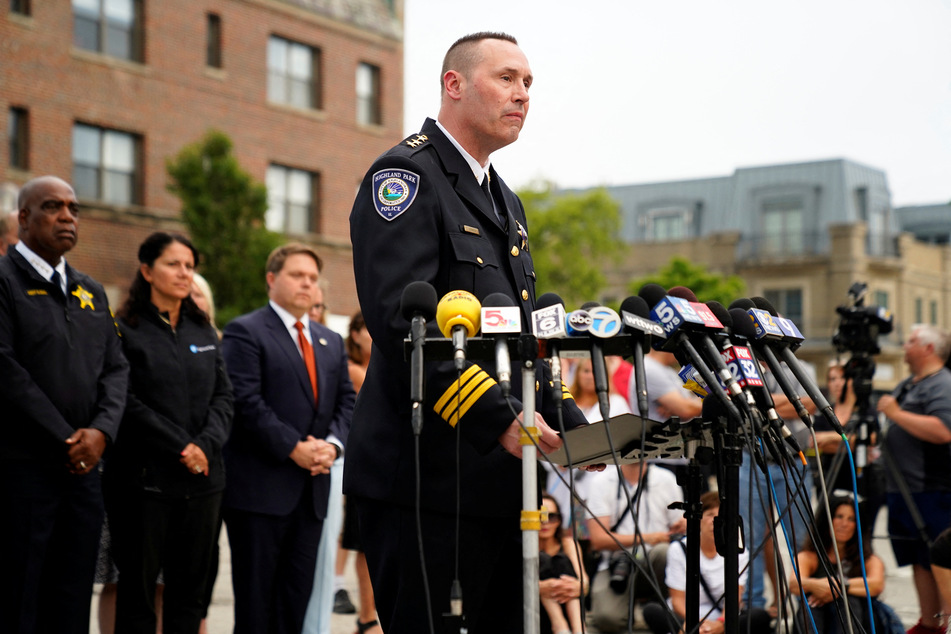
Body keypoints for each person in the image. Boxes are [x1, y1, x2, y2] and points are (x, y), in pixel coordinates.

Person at [347, 31, 594, 633]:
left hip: (501, 485)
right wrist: (498, 417)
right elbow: (405, 326)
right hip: (428, 479)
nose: (523, 95)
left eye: (528, 83)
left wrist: (576, 428)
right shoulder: (404, 177)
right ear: (453, 84)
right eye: (507, 78)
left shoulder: (503, 197)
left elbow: (518, 335)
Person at [0, 175, 129, 633]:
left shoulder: (89, 290)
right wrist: (66, 437)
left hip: (84, 474)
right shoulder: (5, 281)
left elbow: (116, 369)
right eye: (53, 207)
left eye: (73, 208)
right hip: (23, 471)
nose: (67, 217)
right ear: (23, 218)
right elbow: (6, 368)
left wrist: (100, 434)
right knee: (20, 595)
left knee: (72, 595)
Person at [221, 243, 355, 634]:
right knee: (257, 607)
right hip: (260, 495)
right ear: (271, 279)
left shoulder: (330, 341)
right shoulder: (245, 331)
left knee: (295, 603)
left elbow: (347, 402)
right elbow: (245, 402)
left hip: (311, 493)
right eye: (298, 275)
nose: (307, 284)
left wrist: (333, 445)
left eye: (313, 278)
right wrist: (294, 448)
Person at [104, 232, 233, 633]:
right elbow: (126, 401)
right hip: (144, 486)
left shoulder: (203, 330)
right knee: (139, 597)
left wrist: (205, 447)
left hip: (203, 484)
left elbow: (224, 398)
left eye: (190, 266)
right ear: (146, 270)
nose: (184, 274)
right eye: (173, 264)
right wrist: (182, 446)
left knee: (189, 598)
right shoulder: (123, 330)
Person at [876, 324, 951, 634]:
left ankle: (946, 620)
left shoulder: (942, 384)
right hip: (903, 489)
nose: (904, 346)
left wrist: (895, 414)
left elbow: (943, 430)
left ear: (928, 349)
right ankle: (929, 620)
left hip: (931, 489)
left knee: (939, 558)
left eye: (910, 341)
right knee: (916, 558)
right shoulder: (908, 384)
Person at [643, 491, 770, 634]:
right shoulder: (678, 549)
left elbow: (735, 597)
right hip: (686, 616)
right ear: (699, 519)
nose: (714, 521)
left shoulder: (738, 551)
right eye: (709, 515)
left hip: (721, 617)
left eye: (720, 516)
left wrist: (721, 624)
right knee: (652, 611)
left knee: (760, 616)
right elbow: (677, 600)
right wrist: (698, 624)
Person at [585, 461, 687, 633]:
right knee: (607, 619)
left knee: (666, 552)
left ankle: (661, 608)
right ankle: (632, 610)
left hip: (656, 557)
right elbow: (598, 540)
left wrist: (683, 524)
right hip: (617, 561)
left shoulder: (665, 478)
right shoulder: (601, 481)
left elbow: (679, 527)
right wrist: (648, 538)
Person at [788, 496, 888, 634]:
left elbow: (876, 584)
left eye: (851, 519)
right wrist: (819, 587)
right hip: (819, 619)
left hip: (858, 622)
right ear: (827, 521)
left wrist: (840, 586)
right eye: (839, 516)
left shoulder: (868, 559)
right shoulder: (809, 556)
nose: (844, 524)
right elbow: (794, 583)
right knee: (812, 605)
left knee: (848, 602)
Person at [539, 493, 587, 634]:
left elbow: (584, 582)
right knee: (543, 560)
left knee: (562, 562)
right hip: (537, 612)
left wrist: (574, 586)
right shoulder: (522, 546)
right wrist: (541, 587)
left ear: (559, 520)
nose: (545, 522)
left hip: (568, 606)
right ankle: (560, 626)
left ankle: (578, 629)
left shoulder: (568, 543)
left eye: (551, 517)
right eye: (539, 516)